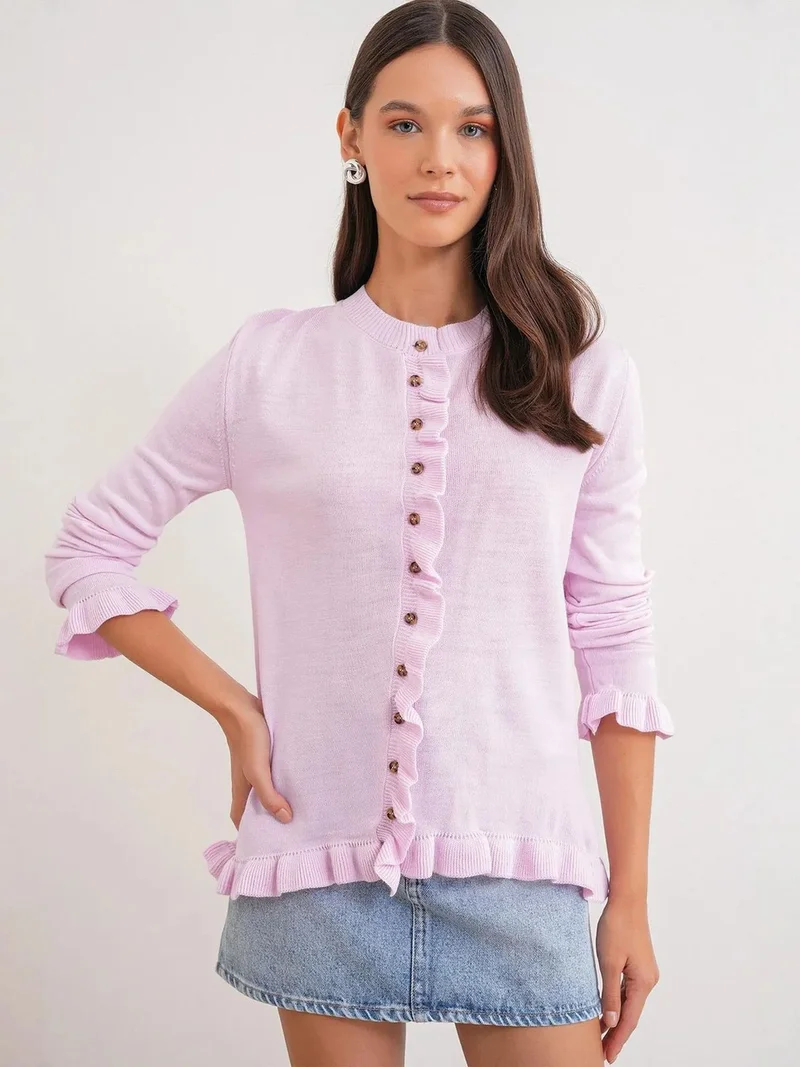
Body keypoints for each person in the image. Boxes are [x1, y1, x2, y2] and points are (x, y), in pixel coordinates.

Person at [43, 2, 675, 1065]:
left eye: (472, 128)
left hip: (522, 868)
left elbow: (612, 631)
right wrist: (235, 707)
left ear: (506, 147)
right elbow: (87, 548)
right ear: (350, 137)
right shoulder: (267, 366)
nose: (439, 159)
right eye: (403, 123)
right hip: (318, 865)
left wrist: (631, 897)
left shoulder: (580, 373)